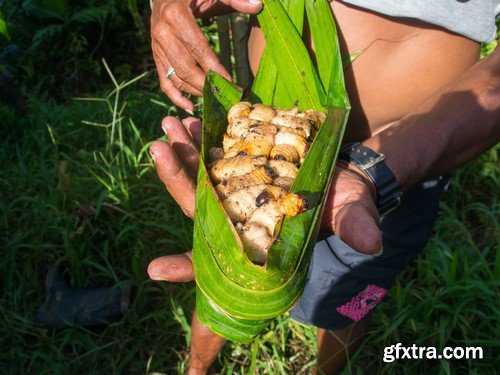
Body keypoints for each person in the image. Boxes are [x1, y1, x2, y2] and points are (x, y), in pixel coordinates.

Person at [148, 1, 500, 373]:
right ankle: (196, 368)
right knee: (228, 275)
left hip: (398, 175)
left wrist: (372, 171)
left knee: (355, 295)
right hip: (266, 136)